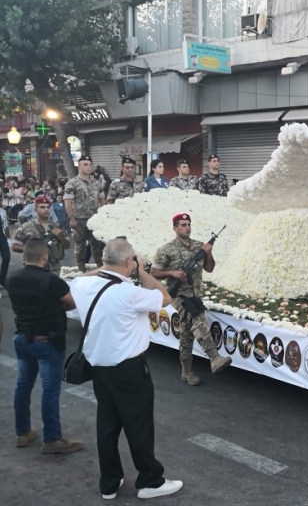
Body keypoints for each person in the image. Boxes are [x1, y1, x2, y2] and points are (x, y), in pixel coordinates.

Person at [72, 239, 183, 500]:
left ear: (103, 261)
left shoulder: (84, 284)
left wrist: (104, 268)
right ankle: (150, 480)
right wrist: (143, 271)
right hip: (129, 368)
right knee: (139, 425)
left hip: (99, 367)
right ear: (128, 262)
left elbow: (82, 276)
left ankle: (109, 482)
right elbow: (165, 297)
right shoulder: (128, 292)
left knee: (107, 424)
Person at [7, 239, 82, 454]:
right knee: (50, 390)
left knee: (23, 386)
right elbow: (71, 303)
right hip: (47, 340)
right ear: (45, 256)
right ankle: (52, 438)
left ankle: (22, 432)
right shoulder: (52, 281)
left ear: (24, 257)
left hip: (22, 338)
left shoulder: (12, 278)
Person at [151, 214, 232, 385]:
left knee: (187, 333)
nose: (187, 227)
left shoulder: (198, 246)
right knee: (197, 317)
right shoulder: (166, 249)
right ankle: (214, 357)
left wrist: (209, 253)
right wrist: (172, 273)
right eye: (183, 225)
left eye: (188, 224)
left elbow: (209, 269)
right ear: (175, 228)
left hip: (196, 294)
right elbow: (154, 273)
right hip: (178, 295)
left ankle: (187, 371)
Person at [64, 156, 105, 272]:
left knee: (98, 245)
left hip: (95, 219)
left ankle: (101, 268)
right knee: (80, 246)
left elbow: (102, 200)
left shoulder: (96, 183)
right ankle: (81, 268)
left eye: (89, 165)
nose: (88, 167)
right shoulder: (72, 183)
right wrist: (72, 219)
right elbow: (68, 202)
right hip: (79, 219)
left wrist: (104, 215)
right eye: (85, 164)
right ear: (79, 166)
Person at [13, 196, 71, 275]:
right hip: (33, 268)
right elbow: (14, 246)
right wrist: (32, 250)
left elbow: (67, 245)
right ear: (35, 210)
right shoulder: (26, 227)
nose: (46, 209)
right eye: (42, 207)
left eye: (48, 207)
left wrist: (60, 237)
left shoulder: (56, 226)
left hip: (54, 268)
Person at [0, 201, 10, 286]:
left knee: (6, 257)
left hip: (2, 237)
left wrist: (9, 238)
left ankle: (2, 279)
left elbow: (6, 226)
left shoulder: (2, 212)